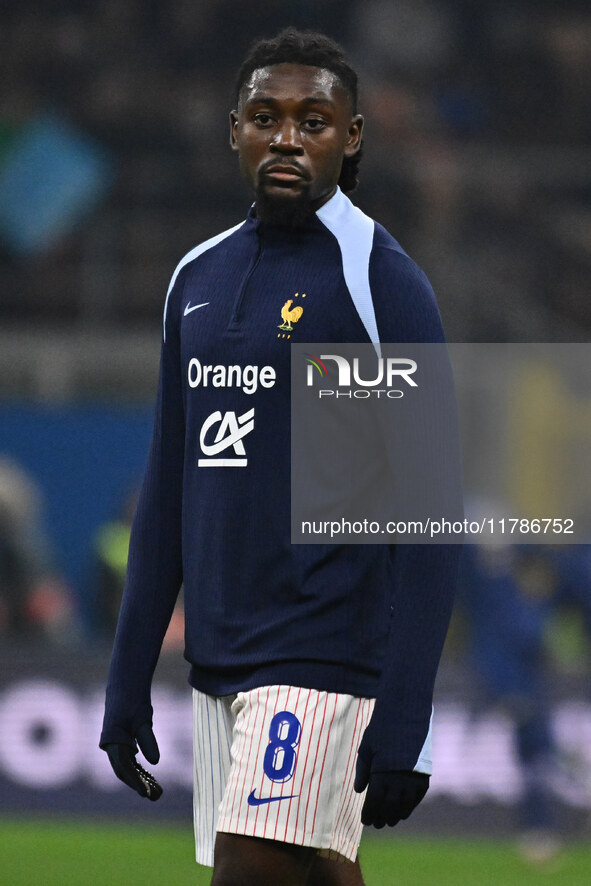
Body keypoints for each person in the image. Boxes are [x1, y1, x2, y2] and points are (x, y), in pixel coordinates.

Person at [100, 28, 460, 886]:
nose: (288, 138)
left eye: (314, 120)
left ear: (354, 135)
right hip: (220, 660)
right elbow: (167, 500)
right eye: (266, 117)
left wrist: (405, 713)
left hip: (320, 656)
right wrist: (126, 678)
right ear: (234, 131)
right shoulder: (195, 279)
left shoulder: (378, 279)